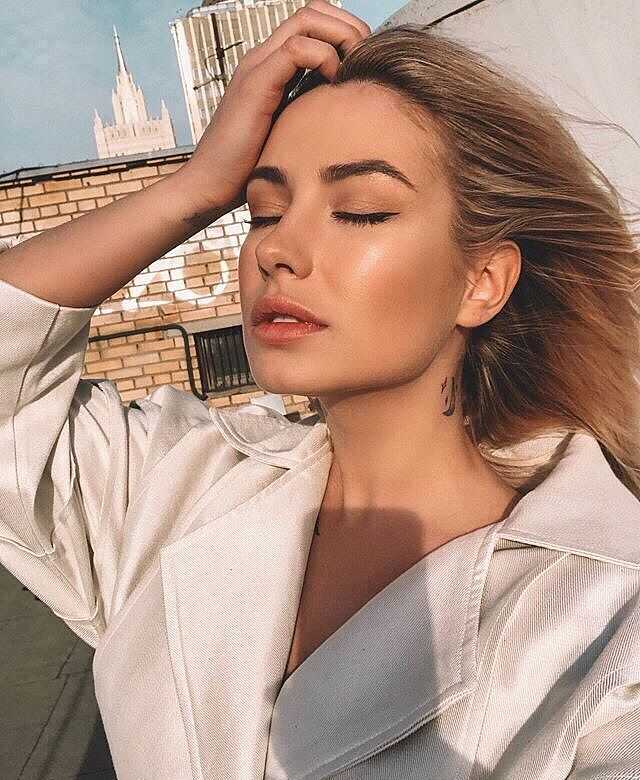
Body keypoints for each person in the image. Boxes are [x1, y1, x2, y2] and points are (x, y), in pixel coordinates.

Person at [1, 1, 639, 777]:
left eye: (360, 212)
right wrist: (193, 188)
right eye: (262, 211)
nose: (280, 249)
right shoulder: (176, 488)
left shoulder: (606, 622)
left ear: (483, 281)